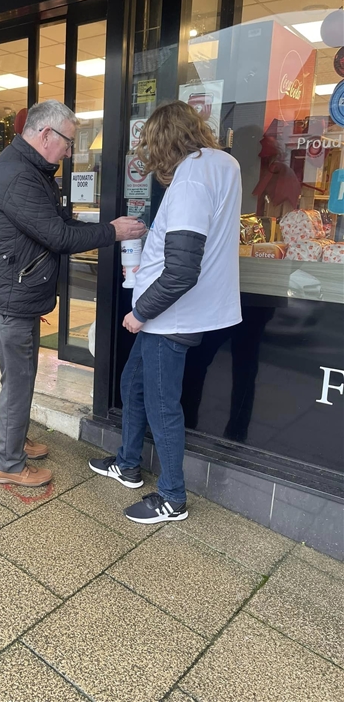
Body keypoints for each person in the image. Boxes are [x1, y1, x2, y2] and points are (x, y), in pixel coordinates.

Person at [0, 99, 146, 488]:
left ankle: (11, 438)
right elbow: (58, 235)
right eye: (68, 142)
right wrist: (113, 232)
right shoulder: (20, 176)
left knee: (14, 379)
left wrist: (100, 224)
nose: (71, 151)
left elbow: (56, 222)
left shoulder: (27, 168)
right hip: (9, 302)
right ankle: (9, 464)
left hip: (7, 296)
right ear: (45, 134)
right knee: (19, 382)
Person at [89, 100, 242, 524]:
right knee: (133, 382)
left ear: (164, 141)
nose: (151, 160)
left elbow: (181, 271)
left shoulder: (192, 178)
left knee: (160, 403)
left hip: (169, 315)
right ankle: (128, 463)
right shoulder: (223, 165)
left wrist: (141, 313)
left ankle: (173, 497)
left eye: (151, 148)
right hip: (181, 311)